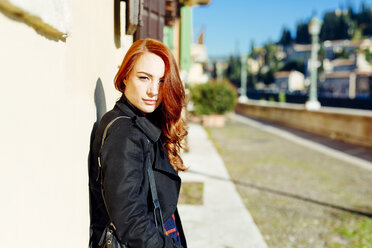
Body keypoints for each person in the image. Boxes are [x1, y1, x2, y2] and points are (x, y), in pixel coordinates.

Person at [88, 39, 188, 248]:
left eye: (161, 81)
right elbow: (131, 221)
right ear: (125, 77)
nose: (153, 91)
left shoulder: (143, 122)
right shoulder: (125, 134)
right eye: (144, 78)